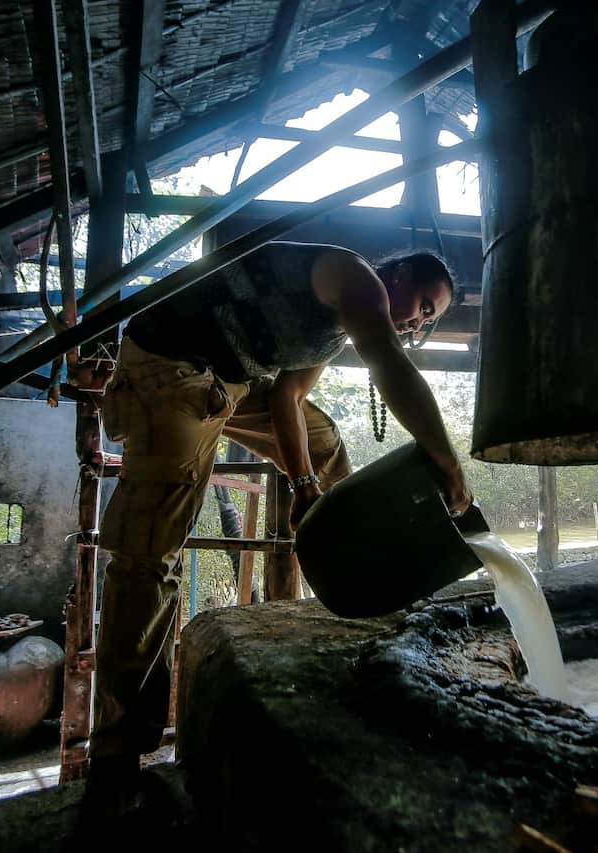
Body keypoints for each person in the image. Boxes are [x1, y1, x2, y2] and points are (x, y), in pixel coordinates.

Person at [86, 241, 473, 804]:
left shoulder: (335, 327)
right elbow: (389, 360)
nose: (416, 318)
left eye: (427, 318)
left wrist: (304, 485)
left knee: (324, 445)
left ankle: (347, 572)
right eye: (422, 301)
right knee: (149, 556)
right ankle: (116, 753)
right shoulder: (355, 275)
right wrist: (445, 456)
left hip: (233, 381)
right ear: (400, 270)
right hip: (170, 369)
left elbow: (288, 398)